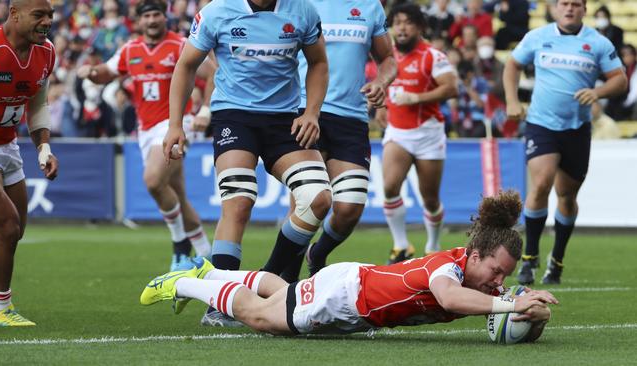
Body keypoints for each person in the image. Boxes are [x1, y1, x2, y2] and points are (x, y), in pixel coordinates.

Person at [140, 190, 558, 339]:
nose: (500, 281)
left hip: (351, 293)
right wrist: (510, 305)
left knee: (277, 295)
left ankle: (207, 272)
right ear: (473, 256)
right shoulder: (445, 271)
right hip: (342, 297)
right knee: (261, 316)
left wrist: (531, 310)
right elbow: (449, 296)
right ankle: (178, 283)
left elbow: (508, 310)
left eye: (505, 275)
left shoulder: (479, 282)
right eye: (496, 271)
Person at [163, 0, 330, 326]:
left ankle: (266, 279)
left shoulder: (303, 11)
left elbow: (319, 63)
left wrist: (311, 112)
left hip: (285, 119)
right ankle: (220, 303)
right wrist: (174, 125)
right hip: (234, 117)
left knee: (318, 198)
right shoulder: (216, 12)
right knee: (238, 201)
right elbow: (186, 65)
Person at [266, 0, 398, 282]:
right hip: (304, 109)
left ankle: (318, 254)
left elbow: (387, 58)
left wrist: (381, 83)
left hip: (351, 119)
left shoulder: (370, 6)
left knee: (349, 208)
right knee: (307, 203)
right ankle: (285, 287)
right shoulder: (300, 3)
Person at [77, 0, 212, 271]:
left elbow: (213, 73)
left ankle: (179, 249)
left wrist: (205, 110)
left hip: (176, 124)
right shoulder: (131, 50)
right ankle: (210, 258)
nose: (152, 20)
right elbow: (107, 72)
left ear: (166, 18)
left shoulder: (181, 45)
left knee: (152, 181)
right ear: (139, 21)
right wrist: (91, 73)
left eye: (156, 15)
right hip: (146, 130)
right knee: (178, 195)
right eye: (147, 16)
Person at [503, 0, 627, 285]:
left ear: (584, 9)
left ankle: (556, 261)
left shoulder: (597, 43)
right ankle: (529, 259)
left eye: (575, 4)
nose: (569, 8)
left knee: (567, 196)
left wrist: (598, 92)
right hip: (541, 124)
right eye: (564, 4)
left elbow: (619, 81)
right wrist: (511, 100)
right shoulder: (537, 37)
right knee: (542, 182)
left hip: (577, 129)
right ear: (554, 8)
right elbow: (512, 65)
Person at [0, 0, 59, 326]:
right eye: (39, 15)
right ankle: (0, 308)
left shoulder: (47, 53)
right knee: (6, 226)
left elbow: (38, 104)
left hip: (8, 147)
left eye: (50, 16)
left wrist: (44, 147)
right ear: (14, 15)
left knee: (15, 231)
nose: (47, 22)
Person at [375, 4, 458, 263]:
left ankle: (433, 245)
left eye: (408, 22)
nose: (401, 27)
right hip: (397, 132)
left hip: (428, 133)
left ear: (420, 27)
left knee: (430, 198)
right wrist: (380, 105)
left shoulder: (433, 56)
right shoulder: (385, 56)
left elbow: (451, 88)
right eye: (397, 22)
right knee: (389, 187)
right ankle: (401, 246)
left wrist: (416, 97)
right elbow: (380, 85)